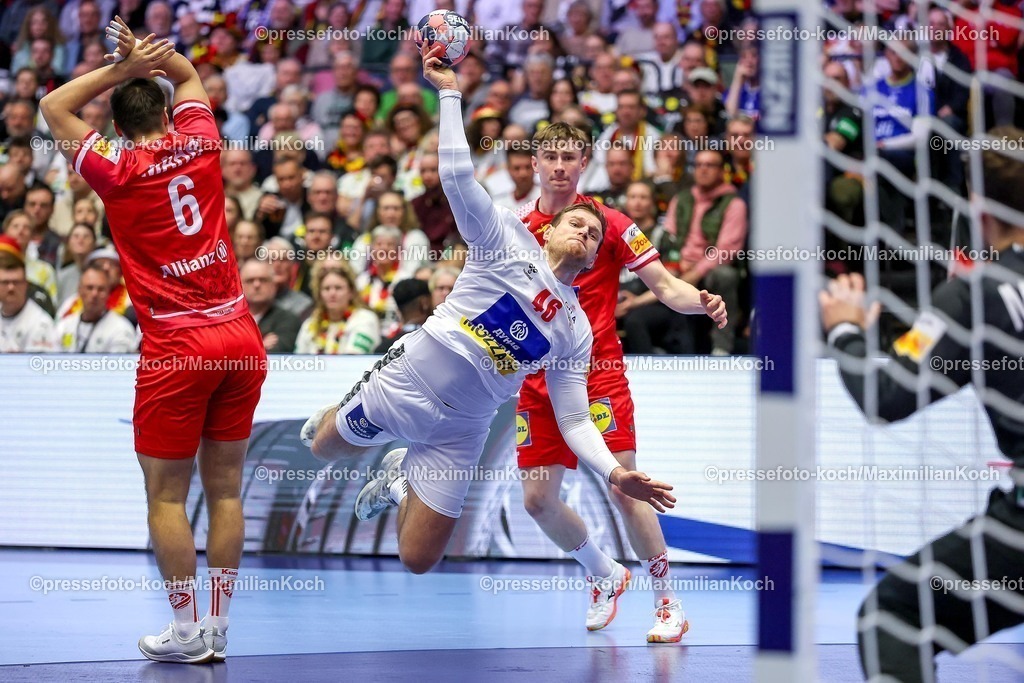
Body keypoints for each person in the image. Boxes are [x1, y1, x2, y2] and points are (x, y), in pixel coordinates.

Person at [301, 43, 677, 578]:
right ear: (552, 229)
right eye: (577, 224)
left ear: (596, 257)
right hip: (406, 384)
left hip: (463, 431)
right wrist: (450, 95)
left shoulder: (575, 329)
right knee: (323, 447)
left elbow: (573, 418)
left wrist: (615, 473)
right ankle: (350, 407)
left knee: (418, 559)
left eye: (594, 235)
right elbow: (456, 177)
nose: (586, 232)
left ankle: (401, 477)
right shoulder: (502, 236)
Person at [39, 18, 268, 664]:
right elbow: (190, 74)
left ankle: (187, 629)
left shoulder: (114, 168)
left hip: (177, 345)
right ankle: (219, 627)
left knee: (166, 495)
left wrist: (122, 67)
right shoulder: (198, 140)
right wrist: (154, 61)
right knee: (225, 490)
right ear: (168, 113)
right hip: (240, 336)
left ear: (114, 128)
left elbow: (50, 105)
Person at [818, 126, 1024, 682]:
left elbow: (886, 399)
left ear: (977, 207)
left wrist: (845, 332)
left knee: (892, 617)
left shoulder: (976, 295)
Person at [515, 120, 727, 643]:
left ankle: (667, 604)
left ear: (583, 163)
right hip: (537, 378)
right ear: (535, 164)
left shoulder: (606, 223)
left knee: (627, 491)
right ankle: (604, 573)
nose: (560, 166)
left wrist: (699, 301)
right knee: (538, 502)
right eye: (551, 157)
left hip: (598, 376)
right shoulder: (517, 228)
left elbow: (665, 286)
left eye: (570, 156)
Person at [54, 261, 137, 352]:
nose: (94, 294)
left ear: (108, 293)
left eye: (101, 289)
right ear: (79, 290)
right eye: (89, 288)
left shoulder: (121, 329)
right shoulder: (64, 326)